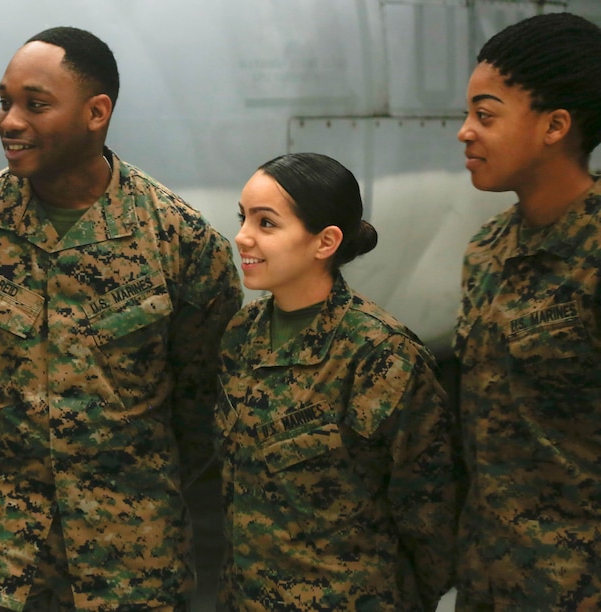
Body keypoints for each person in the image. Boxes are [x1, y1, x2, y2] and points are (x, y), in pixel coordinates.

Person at [0, 25, 242, 611]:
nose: (10, 121)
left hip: (129, 565)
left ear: (96, 112)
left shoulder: (180, 243)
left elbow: (203, 398)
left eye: (36, 105)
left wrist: (125, 483)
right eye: (5, 102)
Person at [215, 153, 459, 610]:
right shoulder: (241, 337)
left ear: (325, 242)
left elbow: (430, 513)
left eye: (266, 223)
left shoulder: (380, 355)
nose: (242, 236)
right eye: (243, 217)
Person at [454, 12, 601, 609]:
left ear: (556, 126)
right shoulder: (488, 250)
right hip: (489, 581)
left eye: (485, 116)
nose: (465, 132)